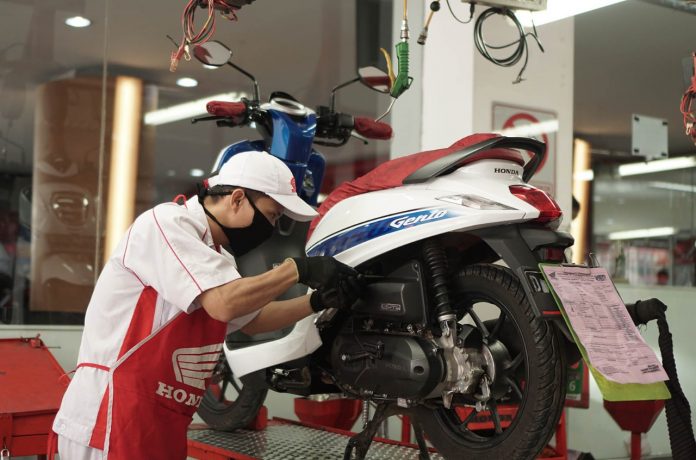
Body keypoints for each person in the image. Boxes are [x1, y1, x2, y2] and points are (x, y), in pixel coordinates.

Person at [51, 150, 361, 460]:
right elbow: (223, 304)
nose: (271, 227)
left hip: (162, 420)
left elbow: (254, 320)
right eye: (272, 216)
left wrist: (317, 301)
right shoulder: (167, 224)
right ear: (237, 199)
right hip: (110, 415)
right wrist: (297, 269)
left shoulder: (217, 258)